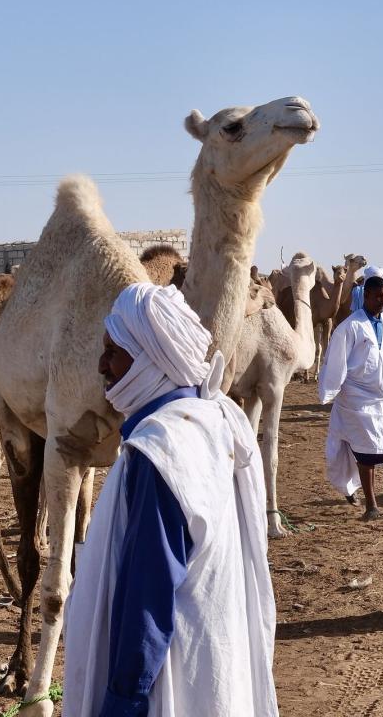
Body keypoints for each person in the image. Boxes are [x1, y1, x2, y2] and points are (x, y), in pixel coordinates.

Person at [62, 283, 278, 716]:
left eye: (114, 351)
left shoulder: (162, 449)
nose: (102, 365)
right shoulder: (217, 418)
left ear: (149, 358)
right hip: (215, 662)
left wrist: (123, 700)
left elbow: (148, 591)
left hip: (171, 681)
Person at [319, 275, 383, 520]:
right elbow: (336, 361)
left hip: (380, 400)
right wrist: (331, 390)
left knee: (374, 452)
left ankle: (358, 493)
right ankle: (371, 505)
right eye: (378, 296)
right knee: (366, 454)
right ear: (366, 296)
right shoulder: (350, 327)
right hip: (355, 400)